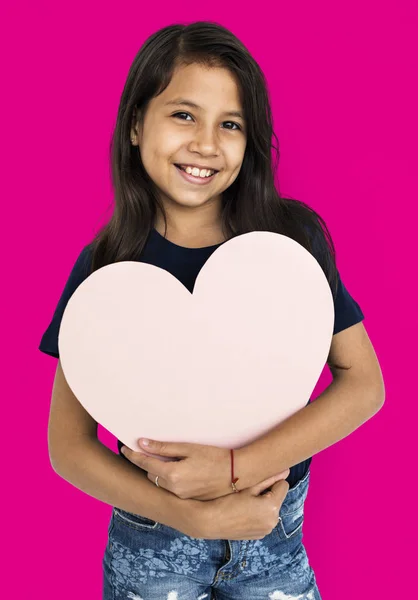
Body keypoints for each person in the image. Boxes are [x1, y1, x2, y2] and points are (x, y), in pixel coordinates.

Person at [38, 21, 385, 600]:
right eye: (183, 115)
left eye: (230, 124)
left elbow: (364, 384)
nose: (205, 143)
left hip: (272, 537)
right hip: (152, 546)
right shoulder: (107, 269)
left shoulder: (290, 247)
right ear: (134, 124)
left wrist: (233, 471)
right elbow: (67, 447)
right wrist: (193, 516)